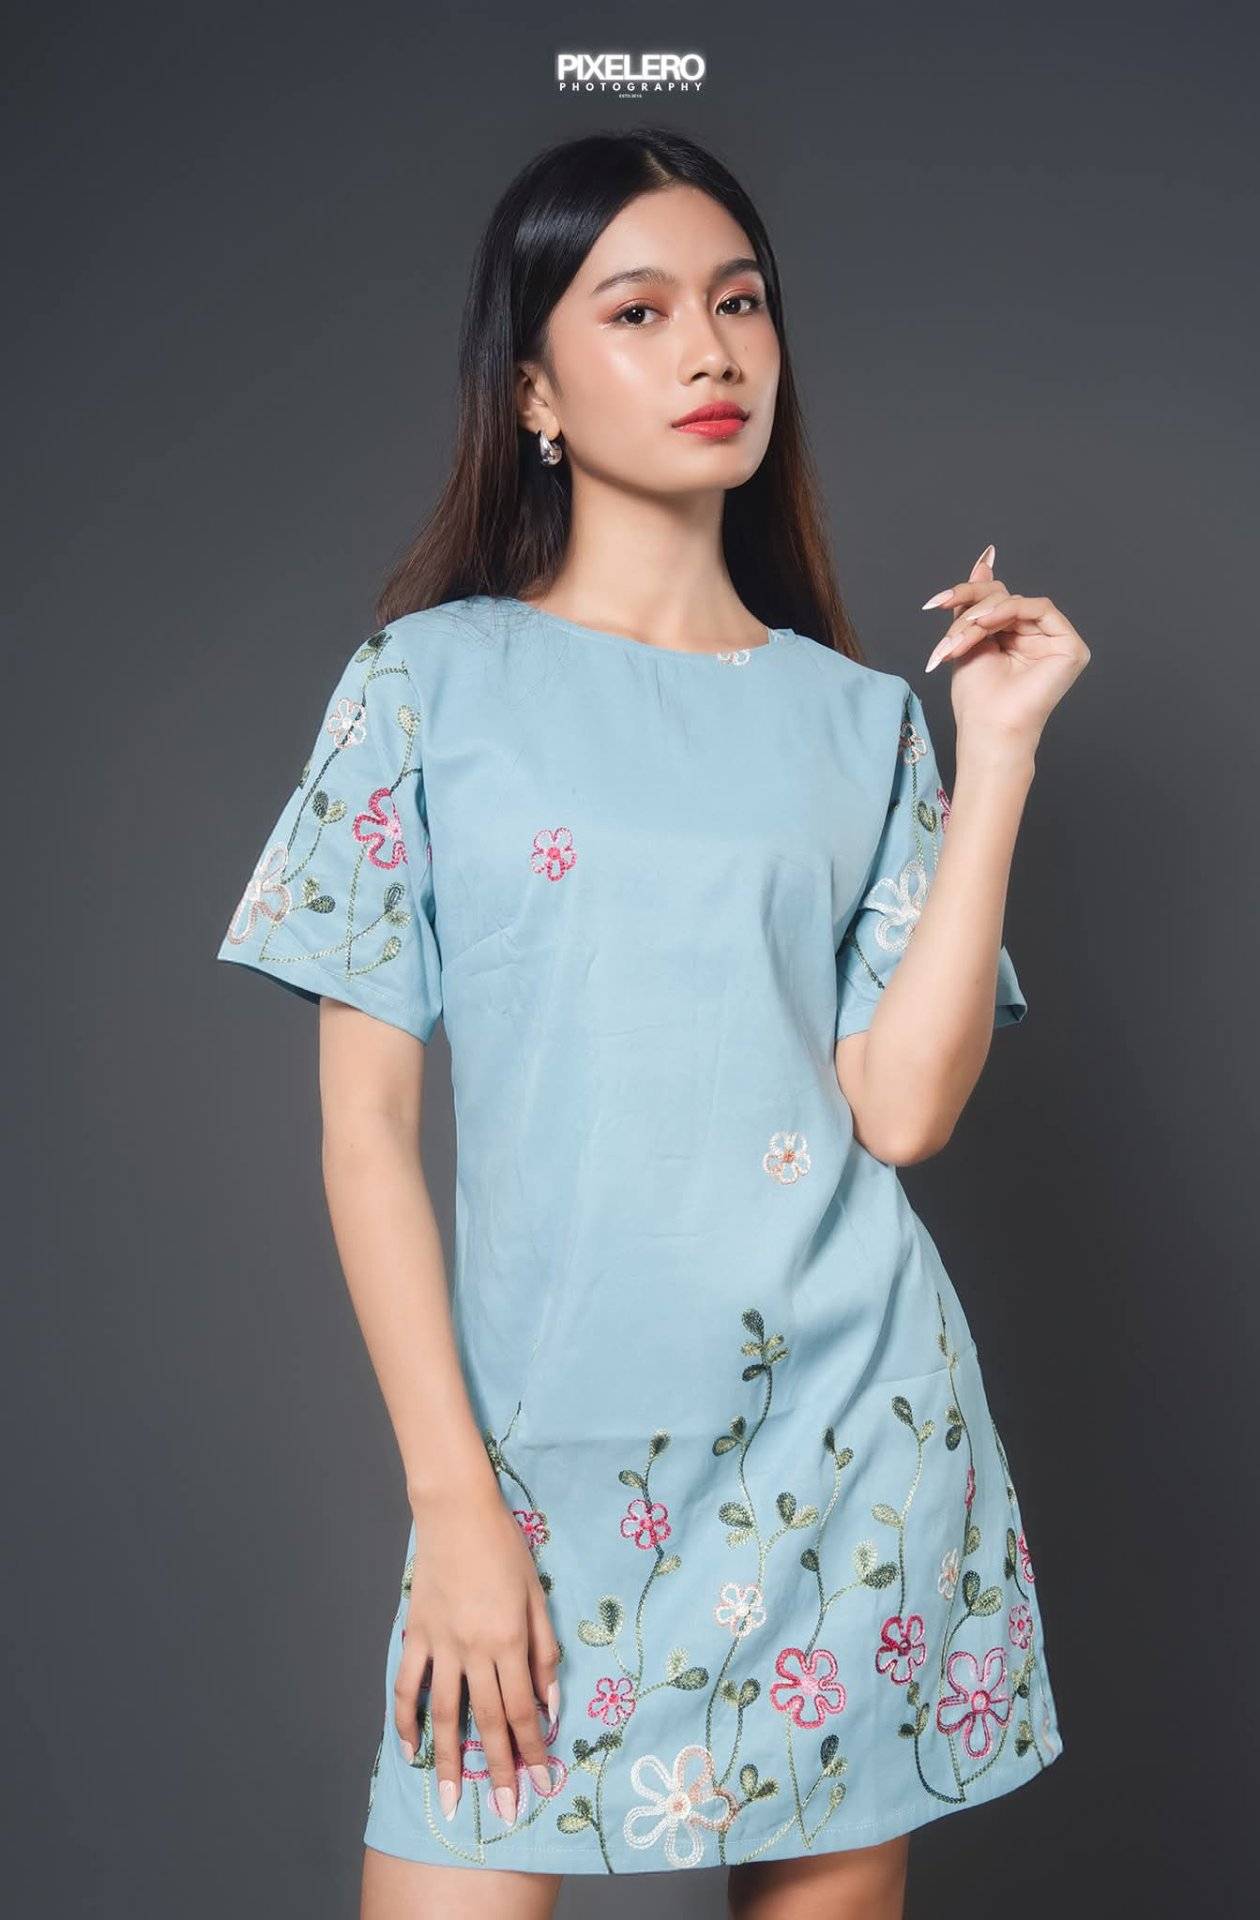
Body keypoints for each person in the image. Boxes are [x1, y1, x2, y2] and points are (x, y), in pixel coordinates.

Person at [216, 126, 1088, 1920]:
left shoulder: (861, 722)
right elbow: (365, 1132)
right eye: (640, 310)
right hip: (532, 1476)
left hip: (844, 1446)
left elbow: (904, 1111)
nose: (711, 349)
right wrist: (454, 1507)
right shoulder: (424, 686)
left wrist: (994, 758)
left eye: (740, 302)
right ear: (534, 389)